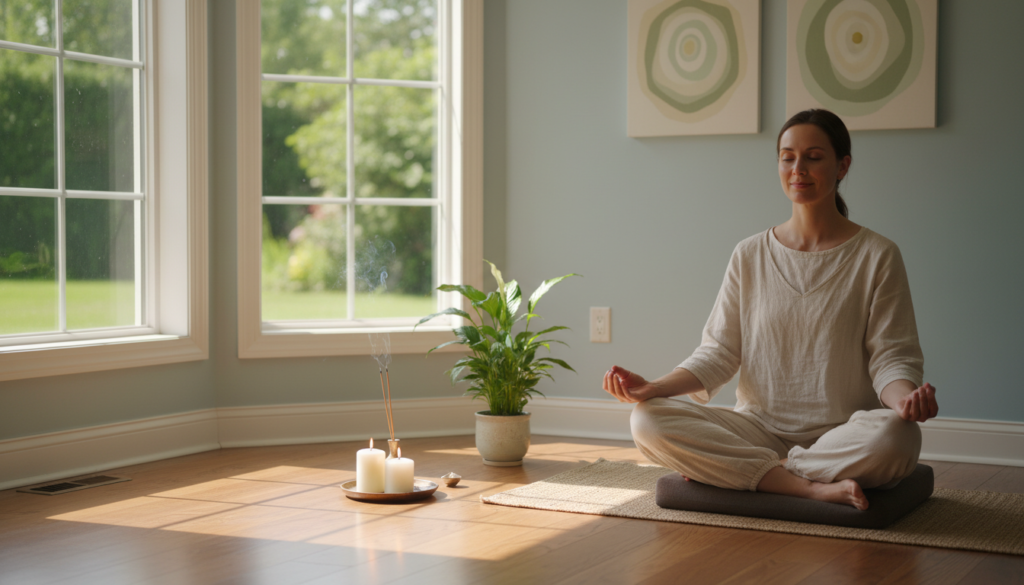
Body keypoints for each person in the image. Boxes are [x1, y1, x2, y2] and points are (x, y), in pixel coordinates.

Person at [603, 109, 938, 510]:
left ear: (842, 165)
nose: (798, 168)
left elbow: (892, 357)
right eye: (787, 156)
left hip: (842, 434)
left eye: (814, 157)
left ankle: (764, 472)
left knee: (898, 437)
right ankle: (807, 485)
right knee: (646, 419)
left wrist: (905, 402)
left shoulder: (878, 255)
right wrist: (653, 388)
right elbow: (719, 353)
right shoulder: (749, 254)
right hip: (755, 429)